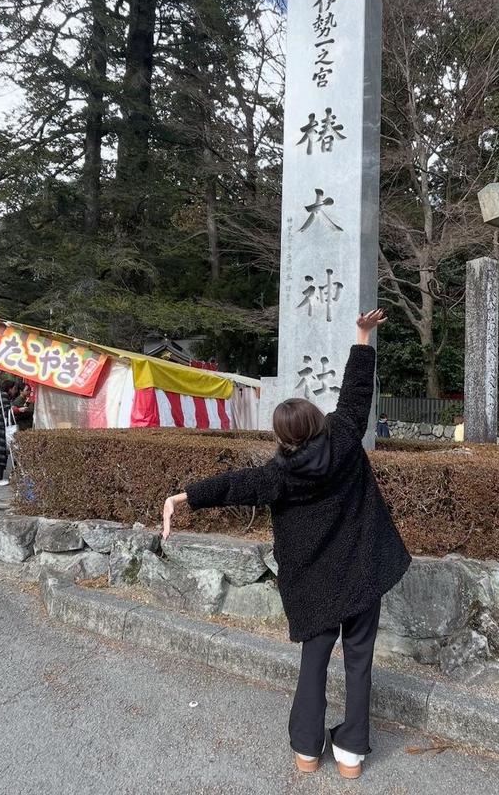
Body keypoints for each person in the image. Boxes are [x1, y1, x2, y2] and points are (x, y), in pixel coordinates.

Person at [163, 311, 410, 780]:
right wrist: (362, 336)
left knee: (313, 663)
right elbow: (356, 392)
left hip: (315, 583)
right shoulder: (344, 437)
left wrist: (182, 497)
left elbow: (233, 485)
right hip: (363, 572)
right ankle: (352, 757)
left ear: (282, 438)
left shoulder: (277, 476)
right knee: (359, 660)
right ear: (318, 422)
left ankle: (306, 751)